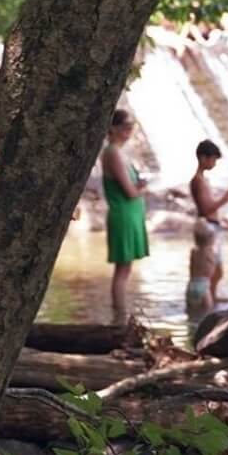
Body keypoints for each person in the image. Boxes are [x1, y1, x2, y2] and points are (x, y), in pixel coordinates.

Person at [101, 109, 149, 319]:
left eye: (131, 126)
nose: (129, 130)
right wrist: (141, 186)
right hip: (123, 214)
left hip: (129, 214)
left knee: (126, 269)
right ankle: (119, 319)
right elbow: (130, 191)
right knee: (122, 270)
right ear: (113, 128)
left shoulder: (118, 152)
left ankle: (120, 317)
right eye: (125, 127)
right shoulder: (112, 152)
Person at [189, 140, 228, 304]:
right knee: (209, 268)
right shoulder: (198, 180)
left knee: (216, 269)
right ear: (203, 158)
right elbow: (206, 208)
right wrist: (227, 197)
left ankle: (212, 297)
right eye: (213, 159)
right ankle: (207, 300)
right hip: (209, 228)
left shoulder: (202, 179)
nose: (214, 163)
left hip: (212, 226)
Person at [186, 219, 219, 317]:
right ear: (211, 240)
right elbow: (213, 269)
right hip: (203, 286)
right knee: (208, 312)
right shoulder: (210, 253)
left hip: (191, 285)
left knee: (190, 312)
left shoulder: (193, 252)